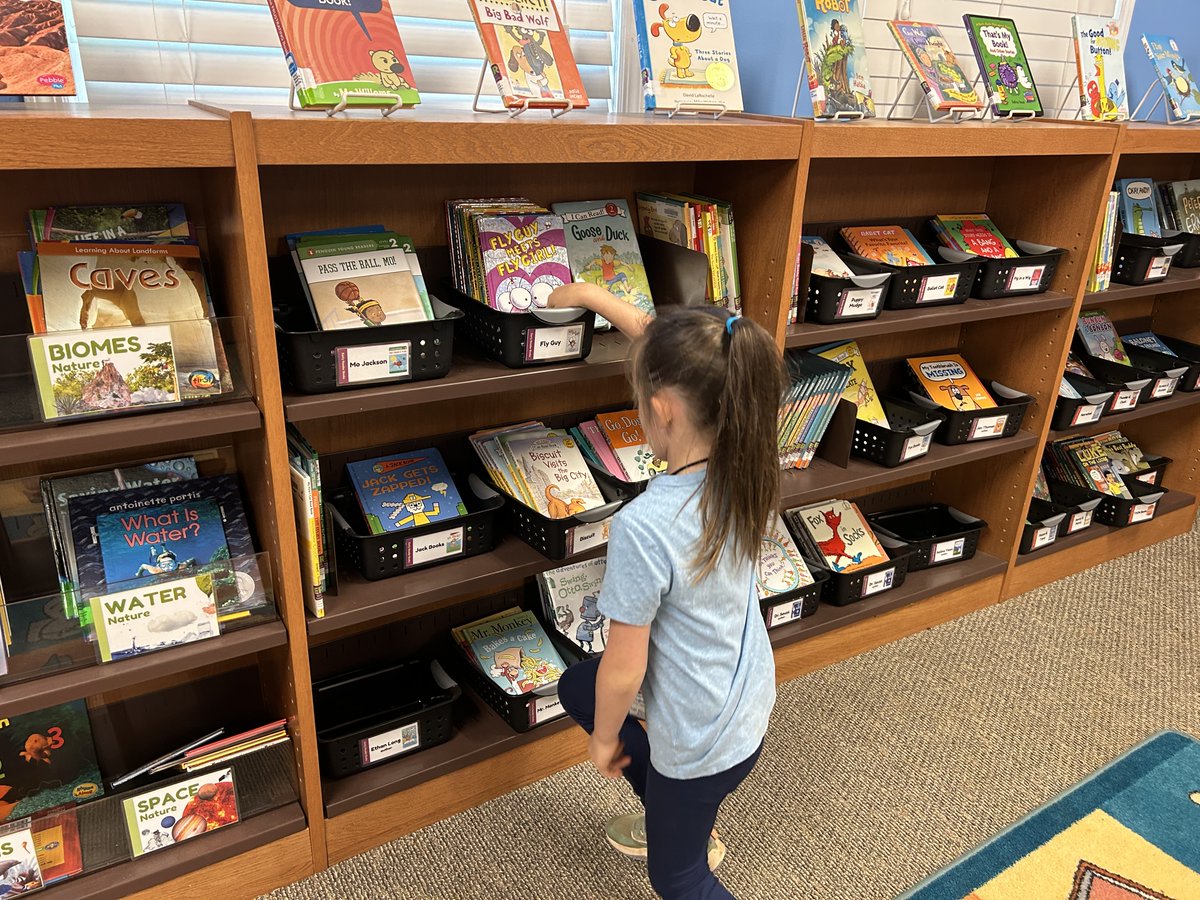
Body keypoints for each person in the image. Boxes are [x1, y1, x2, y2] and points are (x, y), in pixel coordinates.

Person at [547, 282, 783, 899]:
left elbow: (625, 672)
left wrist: (603, 741)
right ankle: (677, 819)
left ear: (663, 410)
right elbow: (676, 351)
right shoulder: (749, 463)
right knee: (577, 683)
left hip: (698, 746)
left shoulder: (645, 528)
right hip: (746, 710)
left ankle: (680, 829)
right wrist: (590, 295)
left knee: (678, 879)